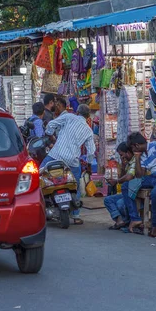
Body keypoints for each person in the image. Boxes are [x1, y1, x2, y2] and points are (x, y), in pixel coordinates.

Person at [42, 96, 95, 225]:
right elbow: (91, 151)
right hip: (72, 161)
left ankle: (40, 206)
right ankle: (76, 215)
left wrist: (49, 134)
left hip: (55, 155)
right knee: (75, 185)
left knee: (39, 174)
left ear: (77, 112)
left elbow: (51, 124)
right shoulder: (88, 130)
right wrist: (88, 166)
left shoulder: (69, 117)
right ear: (88, 117)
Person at [104, 142, 137, 230]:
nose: (122, 157)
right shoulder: (128, 163)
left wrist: (116, 181)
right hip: (127, 192)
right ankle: (120, 221)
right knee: (108, 200)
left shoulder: (135, 162)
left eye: (122, 155)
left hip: (133, 193)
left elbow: (129, 177)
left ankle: (126, 221)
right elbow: (123, 177)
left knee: (120, 203)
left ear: (128, 153)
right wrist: (123, 166)